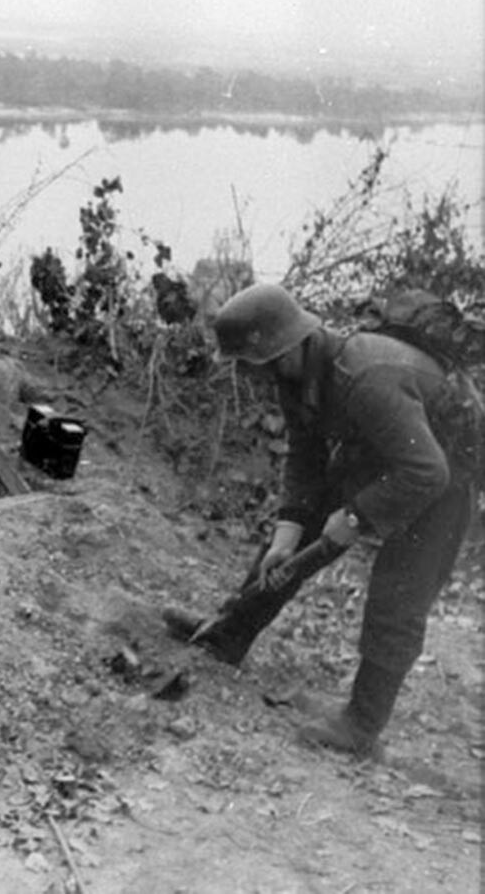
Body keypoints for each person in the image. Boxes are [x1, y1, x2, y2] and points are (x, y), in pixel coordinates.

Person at [163, 284, 477, 759]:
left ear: (282, 347)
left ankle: (362, 725)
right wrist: (289, 529)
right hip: (391, 458)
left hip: (447, 480)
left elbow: (428, 472)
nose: (249, 377)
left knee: (398, 591)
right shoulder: (297, 377)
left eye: (251, 364)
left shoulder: (366, 375)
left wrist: (355, 516)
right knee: (298, 533)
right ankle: (228, 634)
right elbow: (306, 459)